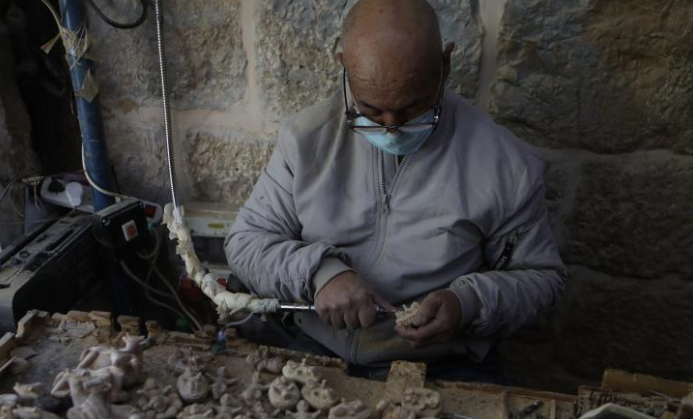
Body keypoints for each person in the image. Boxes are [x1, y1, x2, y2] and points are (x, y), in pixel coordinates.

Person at [224, 0, 566, 381]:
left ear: (446, 64)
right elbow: (246, 243)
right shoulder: (306, 140)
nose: (391, 129)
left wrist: (467, 302)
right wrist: (320, 273)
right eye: (370, 109)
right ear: (344, 66)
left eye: (412, 109)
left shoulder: (507, 166)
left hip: (436, 363)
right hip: (310, 344)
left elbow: (541, 279)